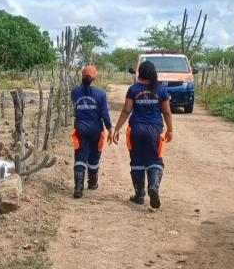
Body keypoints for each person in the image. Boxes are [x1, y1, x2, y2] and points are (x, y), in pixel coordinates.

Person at [110, 61, 173, 208]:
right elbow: (167, 112)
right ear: (153, 73)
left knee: (137, 161)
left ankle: (139, 195)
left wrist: (117, 129)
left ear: (140, 72)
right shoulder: (162, 90)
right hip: (155, 130)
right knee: (155, 160)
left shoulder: (133, 89)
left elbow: (126, 110)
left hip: (135, 130)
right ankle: (153, 187)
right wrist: (170, 129)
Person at [71, 65, 113, 199]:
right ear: (95, 77)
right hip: (96, 130)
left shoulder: (75, 92)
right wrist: (110, 129)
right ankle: (93, 183)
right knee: (95, 156)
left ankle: (78, 188)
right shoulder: (101, 94)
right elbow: (105, 114)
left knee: (80, 156)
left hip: (80, 129)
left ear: (82, 76)